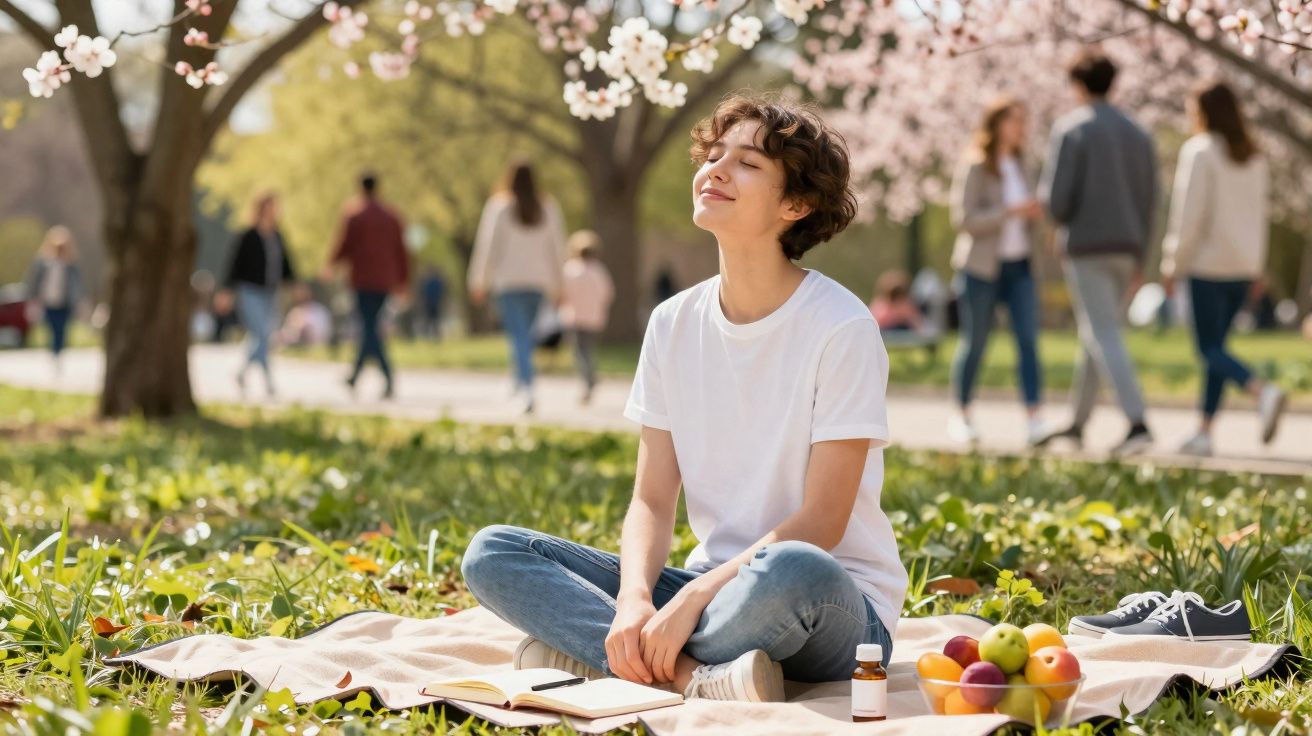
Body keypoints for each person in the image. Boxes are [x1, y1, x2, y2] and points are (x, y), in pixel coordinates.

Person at [461, 96, 907, 703]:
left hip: (828, 601)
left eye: (747, 163)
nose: (715, 169)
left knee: (791, 568)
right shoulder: (672, 322)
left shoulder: (841, 327)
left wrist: (692, 597)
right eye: (714, 155)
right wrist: (634, 600)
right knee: (495, 551)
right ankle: (688, 676)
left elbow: (822, 523)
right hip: (709, 590)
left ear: (796, 204)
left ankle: (606, 656)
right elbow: (651, 498)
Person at [1037, 50, 1157, 457]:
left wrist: (1057, 217)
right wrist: (1142, 254)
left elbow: (1055, 200)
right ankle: (1077, 422)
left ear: (1079, 84)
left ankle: (1137, 422)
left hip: (1087, 246)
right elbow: (1150, 200)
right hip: (1129, 247)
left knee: (1102, 331)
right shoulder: (1139, 133)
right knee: (1097, 330)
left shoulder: (1072, 128)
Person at [1160, 81, 1286, 455]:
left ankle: (1261, 390)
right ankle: (1204, 431)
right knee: (1217, 348)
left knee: (1208, 349)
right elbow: (1260, 217)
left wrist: (1172, 262)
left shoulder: (1200, 152)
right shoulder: (1253, 157)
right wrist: (1257, 267)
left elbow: (1188, 215)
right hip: (1242, 267)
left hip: (1208, 265)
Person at [947, 98, 1046, 445]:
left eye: (1023, 120)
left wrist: (1035, 214)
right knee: (975, 342)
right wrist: (1009, 211)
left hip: (1021, 266)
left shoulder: (1025, 165)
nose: (1020, 127)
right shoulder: (975, 166)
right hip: (980, 269)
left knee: (1028, 341)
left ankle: (1034, 418)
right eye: (1013, 120)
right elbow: (964, 220)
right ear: (996, 124)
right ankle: (962, 414)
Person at [467, 161, 567, 414]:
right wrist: (559, 284)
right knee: (524, 336)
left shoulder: (499, 207)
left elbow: (488, 246)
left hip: (508, 282)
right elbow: (558, 248)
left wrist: (479, 280)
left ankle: (527, 387)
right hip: (538, 281)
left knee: (519, 335)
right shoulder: (547, 207)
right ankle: (518, 380)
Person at [329, 172, 411, 399]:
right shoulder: (391, 216)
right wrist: (403, 281)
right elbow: (401, 251)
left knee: (369, 327)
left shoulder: (355, 214)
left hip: (363, 280)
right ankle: (358, 375)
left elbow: (344, 244)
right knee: (370, 326)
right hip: (385, 280)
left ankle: (382, 375)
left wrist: (331, 265)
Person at [224, 192, 296, 396]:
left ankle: (242, 373)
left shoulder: (277, 236)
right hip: (250, 290)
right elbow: (235, 264)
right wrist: (227, 290)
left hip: (271, 291)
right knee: (262, 333)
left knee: (263, 335)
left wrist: (294, 284)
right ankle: (268, 381)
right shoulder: (248, 235)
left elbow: (285, 264)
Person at [559, 230, 615, 403]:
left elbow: (563, 293)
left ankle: (589, 378)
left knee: (580, 351)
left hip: (575, 316)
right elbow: (608, 293)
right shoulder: (599, 270)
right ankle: (590, 375)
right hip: (594, 317)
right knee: (588, 348)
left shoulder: (571, 269)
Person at [25, 225, 81, 367]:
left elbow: (77, 285)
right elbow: (33, 281)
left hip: (64, 303)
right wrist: (32, 299)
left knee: (61, 330)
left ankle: (58, 353)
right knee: (50, 328)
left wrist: (77, 302)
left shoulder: (70, 265)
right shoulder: (43, 263)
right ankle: (53, 352)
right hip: (47, 302)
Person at [280, 282, 333, 348]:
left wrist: (311, 333)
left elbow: (326, 334)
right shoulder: (294, 312)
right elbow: (286, 334)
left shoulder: (320, 311)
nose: (302, 294)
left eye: (304, 291)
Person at [420, 267, 447, 340]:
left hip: (433, 303)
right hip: (432, 303)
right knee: (432, 320)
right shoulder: (434, 282)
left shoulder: (431, 282)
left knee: (433, 320)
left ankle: (433, 335)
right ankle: (430, 335)